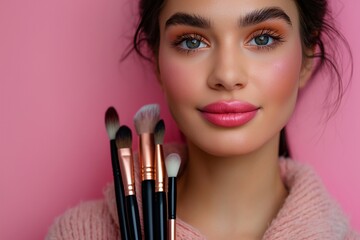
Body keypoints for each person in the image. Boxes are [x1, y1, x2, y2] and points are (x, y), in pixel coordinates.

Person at [47, 0, 359, 239]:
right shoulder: (81, 232)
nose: (226, 75)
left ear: (307, 57)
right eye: (192, 42)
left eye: (262, 39)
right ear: (157, 61)